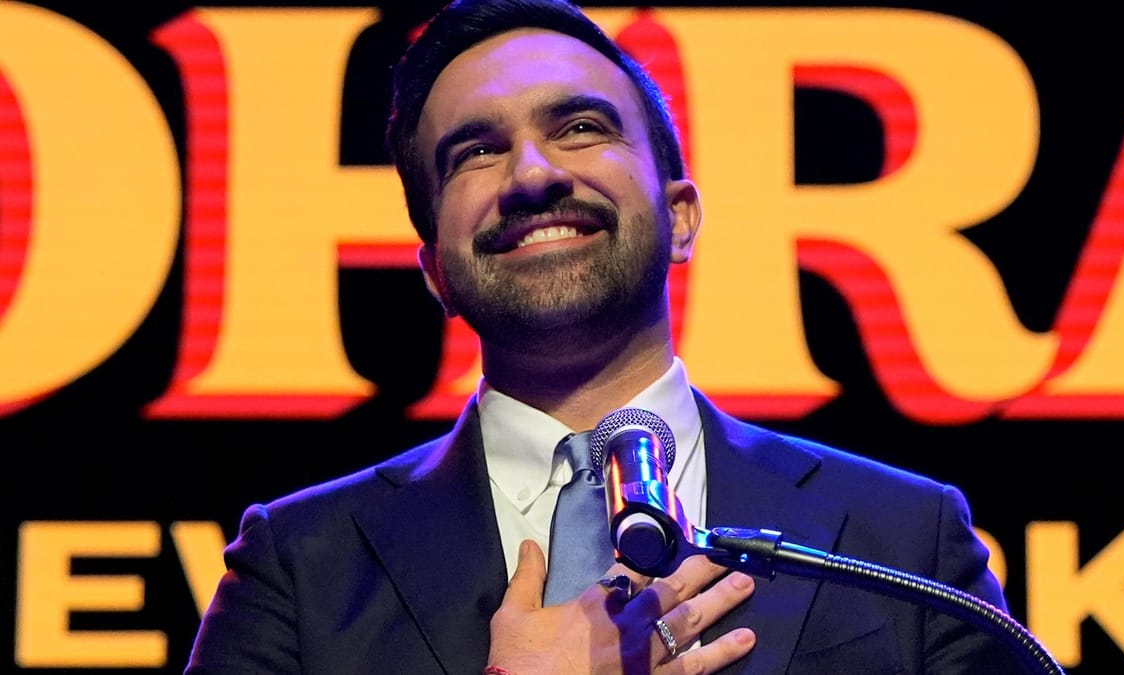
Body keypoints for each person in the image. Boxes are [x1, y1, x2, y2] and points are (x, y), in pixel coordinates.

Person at [185, 0, 1016, 672]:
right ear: (436, 271)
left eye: (580, 127)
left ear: (680, 217)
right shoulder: (300, 566)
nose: (533, 173)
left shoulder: (904, 537)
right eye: (476, 151)